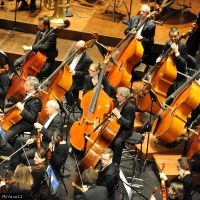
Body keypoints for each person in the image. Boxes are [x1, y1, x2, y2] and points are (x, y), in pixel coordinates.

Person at [4, 100, 64, 171]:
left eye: (47, 107)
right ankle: (14, 164)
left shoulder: (58, 121)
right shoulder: (49, 117)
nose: (45, 109)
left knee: (23, 156)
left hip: (45, 145)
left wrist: (41, 128)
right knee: (19, 140)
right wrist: (33, 138)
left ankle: (27, 171)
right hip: (38, 139)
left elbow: (54, 137)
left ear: (53, 109)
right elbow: (40, 133)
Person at [1, 76, 42, 149]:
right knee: (2, 130)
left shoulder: (37, 101)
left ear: (32, 87)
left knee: (5, 134)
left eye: (26, 84)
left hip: (26, 123)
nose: (24, 85)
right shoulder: (27, 94)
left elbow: (32, 118)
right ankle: (18, 149)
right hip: (18, 119)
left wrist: (22, 109)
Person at [124, 4, 156, 82]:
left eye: (144, 12)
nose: (141, 13)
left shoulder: (151, 26)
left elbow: (150, 42)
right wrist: (130, 32)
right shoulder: (134, 19)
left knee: (130, 61)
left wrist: (142, 38)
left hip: (140, 49)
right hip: (129, 45)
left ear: (148, 14)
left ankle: (127, 76)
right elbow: (126, 31)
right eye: (141, 11)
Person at [22, 16, 58, 81]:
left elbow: (44, 47)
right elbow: (35, 44)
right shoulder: (39, 33)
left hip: (47, 59)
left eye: (40, 25)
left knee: (41, 71)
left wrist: (30, 47)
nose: (38, 26)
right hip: (38, 57)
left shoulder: (52, 35)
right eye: (38, 25)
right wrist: (30, 50)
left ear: (46, 26)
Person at [156, 27, 188, 98]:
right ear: (169, 35)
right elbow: (163, 53)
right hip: (168, 69)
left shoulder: (183, 46)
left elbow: (183, 64)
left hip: (177, 73)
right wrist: (160, 57)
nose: (173, 38)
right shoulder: (168, 43)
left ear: (178, 35)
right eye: (171, 36)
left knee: (170, 91)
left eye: (175, 36)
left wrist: (177, 52)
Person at [111, 87, 135, 168]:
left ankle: (116, 163)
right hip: (118, 126)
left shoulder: (130, 107)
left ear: (124, 97)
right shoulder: (120, 103)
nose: (116, 96)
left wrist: (118, 115)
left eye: (118, 95)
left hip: (125, 130)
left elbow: (128, 124)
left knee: (117, 142)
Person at [65, 40, 93, 107]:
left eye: (77, 48)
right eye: (75, 47)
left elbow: (86, 74)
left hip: (77, 79)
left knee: (67, 88)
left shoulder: (87, 60)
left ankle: (70, 105)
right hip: (67, 74)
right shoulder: (72, 52)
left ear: (83, 49)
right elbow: (67, 62)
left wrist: (75, 73)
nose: (75, 49)